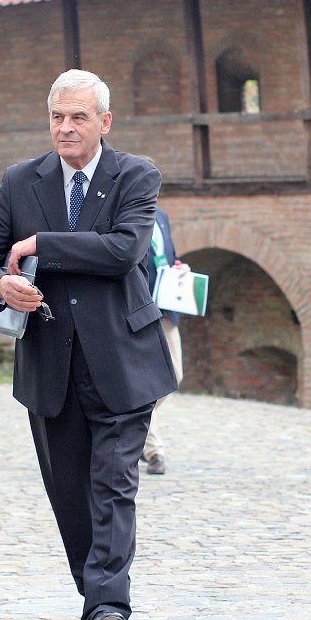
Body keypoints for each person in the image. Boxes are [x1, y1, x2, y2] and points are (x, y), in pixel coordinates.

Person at [0, 69, 178, 620]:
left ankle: (110, 607)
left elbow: (124, 250)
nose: (65, 127)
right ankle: (94, 600)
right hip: (50, 367)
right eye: (57, 116)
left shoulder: (135, 175)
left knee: (113, 484)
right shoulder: (19, 181)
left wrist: (40, 246)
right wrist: (0, 283)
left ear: (104, 122)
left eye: (78, 116)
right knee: (70, 494)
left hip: (123, 362)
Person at [138, 203, 188, 475]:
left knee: (174, 376)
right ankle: (153, 450)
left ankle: (128, 422)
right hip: (140, 310)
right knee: (147, 382)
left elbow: (169, 257)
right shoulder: (128, 215)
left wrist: (179, 267)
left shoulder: (162, 217)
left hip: (167, 307)